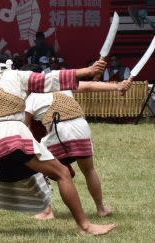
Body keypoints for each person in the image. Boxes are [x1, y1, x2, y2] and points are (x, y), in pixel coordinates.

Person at [0, 58, 116, 236]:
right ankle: (85, 226)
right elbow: (51, 78)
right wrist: (87, 70)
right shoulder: (18, 76)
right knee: (63, 173)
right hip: (16, 135)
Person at [24, 80, 131, 219]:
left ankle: (47, 211)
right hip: (81, 127)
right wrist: (117, 86)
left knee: (35, 167)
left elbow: (25, 128)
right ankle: (101, 208)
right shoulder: (61, 85)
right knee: (89, 170)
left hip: (60, 131)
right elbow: (89, 85)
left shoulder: (31, 98)